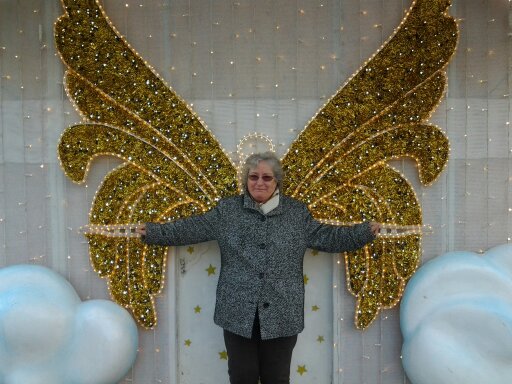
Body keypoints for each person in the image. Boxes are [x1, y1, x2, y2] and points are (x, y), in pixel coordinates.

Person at [136, 151, 380, 384]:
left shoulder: (296, 213)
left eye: (266, 177)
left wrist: (363, 233)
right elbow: (190, 228)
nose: (259, 183)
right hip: (237, 312)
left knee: (277, 378)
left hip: (282, 311)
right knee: (242, 377)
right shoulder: (228, 211)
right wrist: (154, 232)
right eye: (253, 177)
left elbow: (329, 237)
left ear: (277, 182)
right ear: (246, 180)